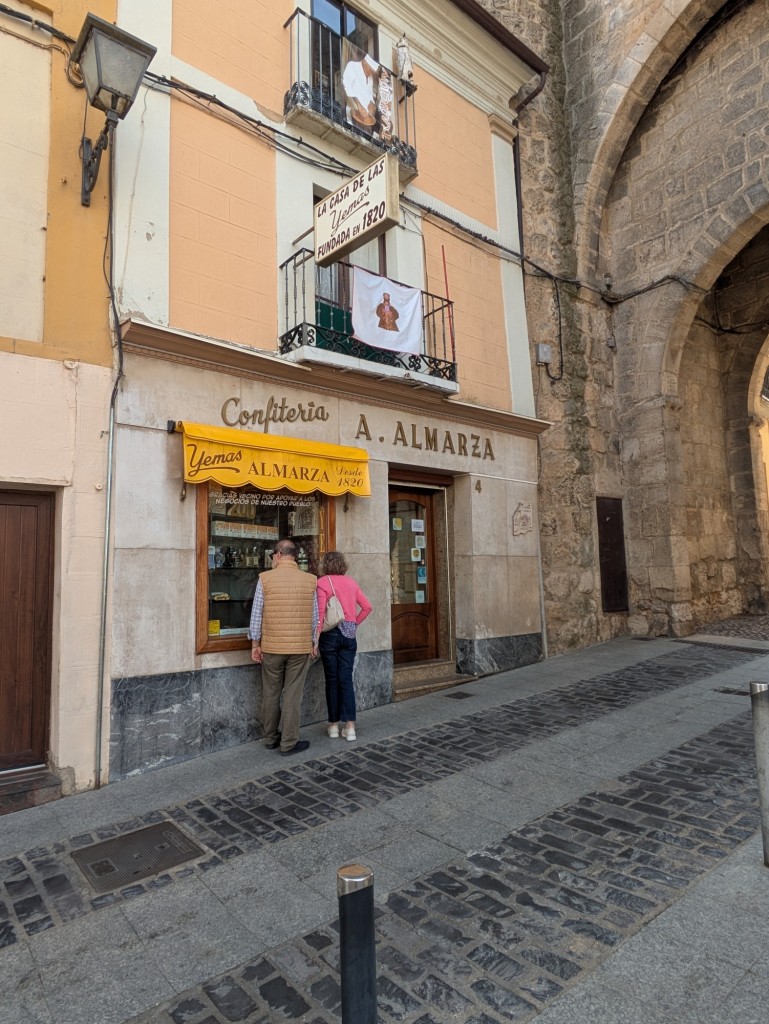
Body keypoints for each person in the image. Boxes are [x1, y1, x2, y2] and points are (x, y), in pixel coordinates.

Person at [249, 539, 318, 756]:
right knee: (292, 695)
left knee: (270, 692)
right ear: (293, 556)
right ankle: (288, 742)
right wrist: (314, 643)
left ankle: (270, 738)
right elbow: (315, 616)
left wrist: (255, 643)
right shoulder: (310, 580)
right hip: (299, 647)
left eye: (272, 556)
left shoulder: (265, 579)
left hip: (271, 646)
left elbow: (256, 613)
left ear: (278, 555)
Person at [315, 551, 372, 741]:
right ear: (343, 565)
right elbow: (367, 607)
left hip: (329, 635)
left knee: (331, 680)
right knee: (346, 679)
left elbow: (320, 614)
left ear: (325, 565)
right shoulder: (351, 582)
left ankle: (332, 725)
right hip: (349, 635)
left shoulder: (322, 582)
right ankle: (350, 727)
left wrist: (315, 640)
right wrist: (354, 622)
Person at [342, 48, 379, 135]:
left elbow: (370, 96)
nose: (371, 74)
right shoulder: (352, 66)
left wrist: (372, 105)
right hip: (352, 111)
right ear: (365, 63)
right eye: (370, 70)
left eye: (373, 72)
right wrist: (358, 104)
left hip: (364, 119)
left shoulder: (370, 78)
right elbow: (345, 86)